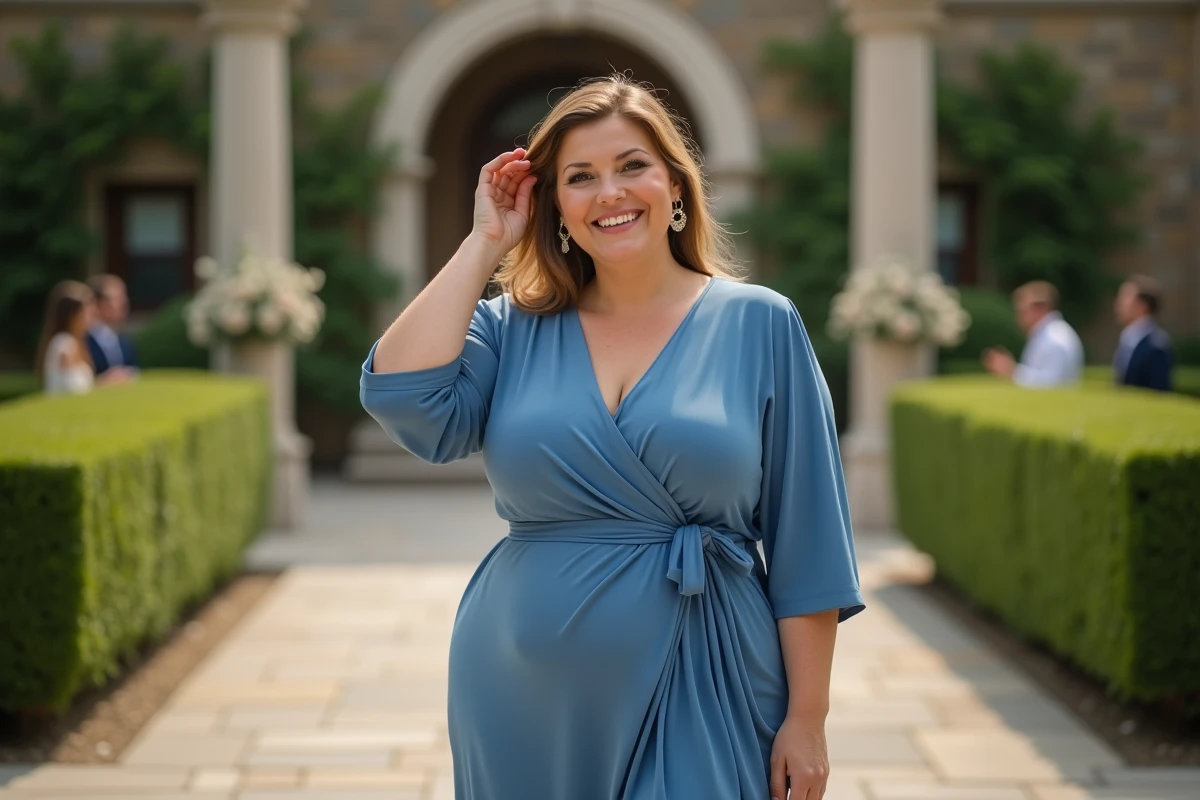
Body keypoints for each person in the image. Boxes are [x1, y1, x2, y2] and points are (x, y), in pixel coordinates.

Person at [360, 75, 864, 800]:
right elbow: (404, 398)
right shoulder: (512, 329)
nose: (610, 193)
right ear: (555, 206)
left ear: (677, 186)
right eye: (580, 178)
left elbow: (809, 540)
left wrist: (808, 718)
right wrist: (483, 243)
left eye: (632, 166)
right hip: (519, 689)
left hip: (710, 670)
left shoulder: (761, 323)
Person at [982, 280, 1083, 388]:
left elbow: (1053, 384)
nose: (1018, 317)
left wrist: (1012, 371)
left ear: (1041, 308)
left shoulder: (1054, 339)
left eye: (1022, 311)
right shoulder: (1048, 335)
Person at [35, 281, 97, 395]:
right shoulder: (64, 346)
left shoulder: (74, 343)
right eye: (87, 312)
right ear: (72, 316)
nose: (92, 317)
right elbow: (71, 389)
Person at [1112, 274, 1173, 392]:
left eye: (1125, 298)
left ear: (1142, 306)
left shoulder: (1156, 347)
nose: (1118, 304)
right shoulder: (1129, 340)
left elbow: (1159, 395)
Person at [85, 274, 138, 380]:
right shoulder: (82, 340)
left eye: (123, 296)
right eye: (116, 298)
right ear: (97, 303)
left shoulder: (124, 342)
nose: (123, 302)